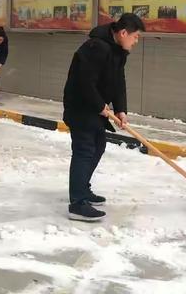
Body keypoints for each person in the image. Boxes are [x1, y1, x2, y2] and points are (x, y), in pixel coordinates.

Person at [63, 13, 145, 221]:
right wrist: (100, 106)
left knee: (98, 146)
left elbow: (119, 81)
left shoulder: (117, 50)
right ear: (123, 33)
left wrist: (120, 109)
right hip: (81, 107)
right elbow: (84, 81)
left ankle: (83, 189)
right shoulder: (97, 47)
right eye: (135, 37)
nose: (136, 41)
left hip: (94, 108)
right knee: (85, 149)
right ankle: (77, 203)